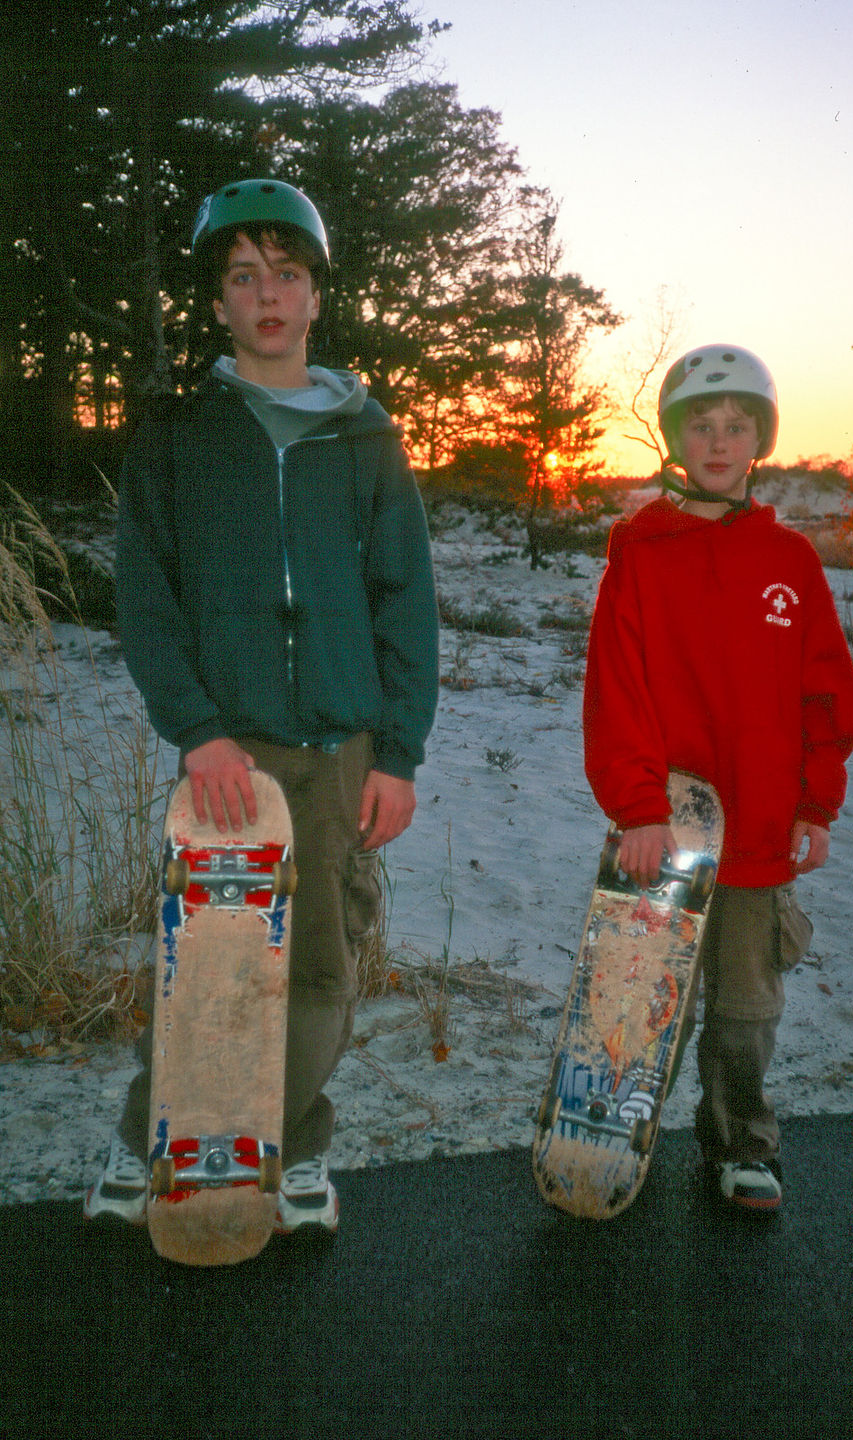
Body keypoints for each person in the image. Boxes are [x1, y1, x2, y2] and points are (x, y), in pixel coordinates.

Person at [85, 179, 439, 1235]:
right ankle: (150, 1145)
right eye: (244, 277)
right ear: (222, 303)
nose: (268, 295)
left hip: (340, 748)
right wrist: (197, 730)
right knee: (204, 962)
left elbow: (406, 600)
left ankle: (289, 1151)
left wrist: (398, 754)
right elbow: (146, 595)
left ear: (317, 297)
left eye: (287, 274)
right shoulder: (180, 434)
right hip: (225, 756)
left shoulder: (367, 439)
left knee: (323, 960)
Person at [582, 344, 853, 1213]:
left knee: (745, 1007)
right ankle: (617, 1137)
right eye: (701, 425)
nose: (718, 440)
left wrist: (815, 804)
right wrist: (634, 810)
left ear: (759, 440)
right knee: (649, 1003)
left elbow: (826, 697)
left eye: (737, 426)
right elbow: (616, 690)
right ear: (676, 436)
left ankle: (742, 1141)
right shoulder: (641, 553)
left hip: (761, 827)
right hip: (660, 827)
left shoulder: (792, 562)